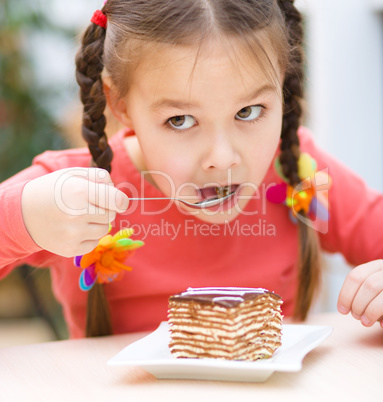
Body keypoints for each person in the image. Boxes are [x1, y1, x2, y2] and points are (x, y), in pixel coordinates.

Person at [0, 0, 382, 339]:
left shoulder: (297, 170)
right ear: (120, 104)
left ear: (282, 85)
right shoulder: (73, 190)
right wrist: (24, 218)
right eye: (180, 119)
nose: (222, 157)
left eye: (248, 112)